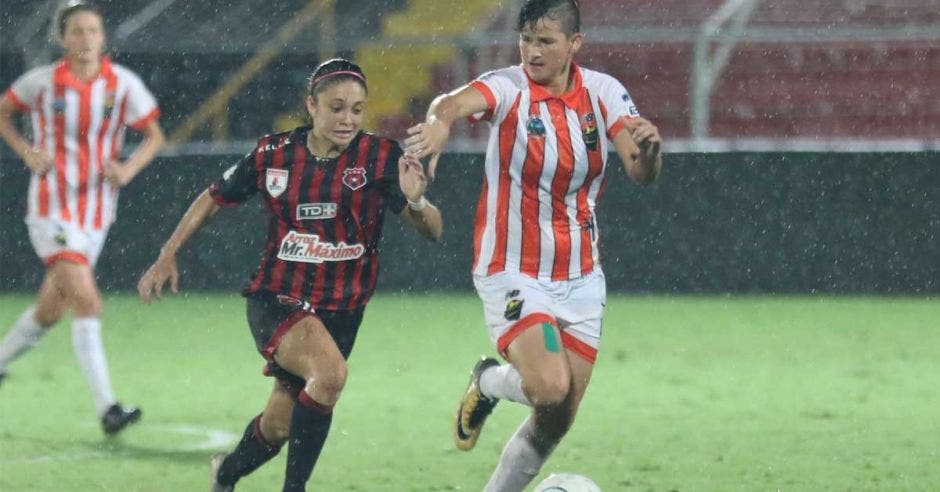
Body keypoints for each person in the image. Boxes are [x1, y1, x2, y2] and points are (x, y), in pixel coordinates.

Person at [137, 58, 442, 492]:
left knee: (279, 426)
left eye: (357, 109)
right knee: (331, 376)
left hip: (343, 312)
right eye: (336, 107)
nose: (347, 119)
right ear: (311, 105)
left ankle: (225, 474)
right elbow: (213, 197)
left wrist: (416, 202)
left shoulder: (380, 158)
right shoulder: (273, 154)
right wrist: (168, 253)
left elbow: (434, 230)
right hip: (277, 297)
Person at [405, 1, 662, 490]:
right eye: (526, 39)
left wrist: (650, 152)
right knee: (548, 386)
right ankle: (488, 382)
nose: (533, 50)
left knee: (558, 416)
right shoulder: (510, 87)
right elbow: (452, 102)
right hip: (512, 268)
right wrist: (438, 123)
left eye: (546, 40)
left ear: (574, 44)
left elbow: (640, 171)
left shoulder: (604, 93)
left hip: (581, 275)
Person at [0, 1, 164, 435]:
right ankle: (108, 409)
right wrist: (27, 153)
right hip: (51, 209)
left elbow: (153, 135)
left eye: (93, 31)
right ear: (63, 38)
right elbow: (3, 112)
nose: (86, 39)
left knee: (49, 311)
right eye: (77, 31)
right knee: (88, 302)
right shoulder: (42, 83)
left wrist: (127, 169)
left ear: (103, 37)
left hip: (97, 213)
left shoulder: (123, 85)